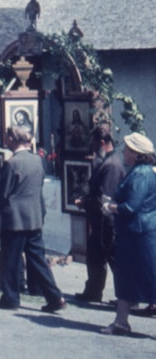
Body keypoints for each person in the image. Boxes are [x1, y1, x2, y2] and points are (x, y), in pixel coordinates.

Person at [0, 126, 66, 313]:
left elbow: (3, 192)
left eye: (8, 137)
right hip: (33, 217)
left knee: (10, 259)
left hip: (15, 219)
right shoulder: (37, 160)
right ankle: (55, 297)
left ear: (13, 139)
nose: (6, 140)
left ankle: (10, 297)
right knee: (38, 259)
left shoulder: (12, 163)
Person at [99, 132, 156, 335]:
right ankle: (121, 322)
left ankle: (121, 322)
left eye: (128, 149)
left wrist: (111, 207)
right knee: (127, 278)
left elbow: (132, 207)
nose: (124, 151)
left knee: (146, 278)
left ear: (137, 153)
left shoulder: (141, 174)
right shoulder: (139, 171)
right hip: (135, 234)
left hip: (139, 236)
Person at [74, 123, 126, 302]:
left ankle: (127, 297)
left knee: (114, 260)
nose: (93, 148)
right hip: (99, 220)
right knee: (95, 257)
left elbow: (105, 196)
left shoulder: (112, 165)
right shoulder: (105, 162)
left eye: (95, 144)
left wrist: (85, 202)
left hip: (107, 221)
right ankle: (93, 291)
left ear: (103, 142)